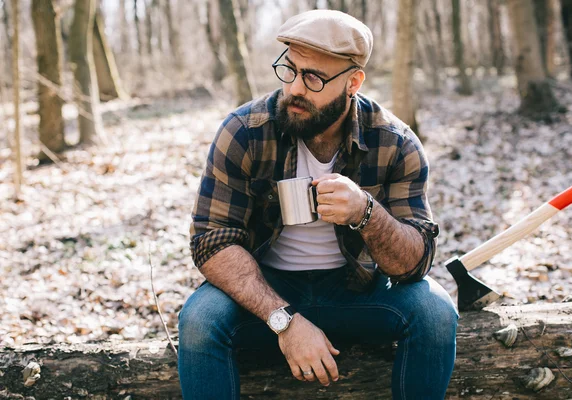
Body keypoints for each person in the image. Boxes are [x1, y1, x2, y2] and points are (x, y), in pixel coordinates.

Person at [178, 9, 459, 400]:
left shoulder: (395, 142)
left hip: (356, 291)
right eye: (289, 69)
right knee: (198, 320)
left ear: (353, 82)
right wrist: (286, 322)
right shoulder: (244, 131)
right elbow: (211, 241)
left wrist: (366, 213)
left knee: (436, 312)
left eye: (313, 77)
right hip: (265, 286)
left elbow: (414, 263)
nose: (295, 89)